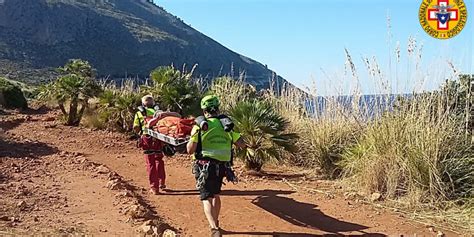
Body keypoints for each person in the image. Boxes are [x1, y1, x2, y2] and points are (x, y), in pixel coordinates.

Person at [187, 95, 246, 237]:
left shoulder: (199, 126)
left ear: (204, 110)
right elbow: (241, 144)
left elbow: (190, 150)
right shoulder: (227, 125)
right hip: (222, 167)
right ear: (217, 108)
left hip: (204, 167)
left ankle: (214, 228)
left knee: (206, 197)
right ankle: (217, 222)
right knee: (216, 195)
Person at [133, 95, 170, 195]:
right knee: (159, 160)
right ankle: (161, 182)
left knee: (150, 162)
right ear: (153, 103)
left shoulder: (139, 113)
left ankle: (154, 187)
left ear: (143, 104)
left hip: (146, 138)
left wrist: (139, 133)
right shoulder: (159, 112)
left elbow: (136, 127)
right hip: (158, 138)